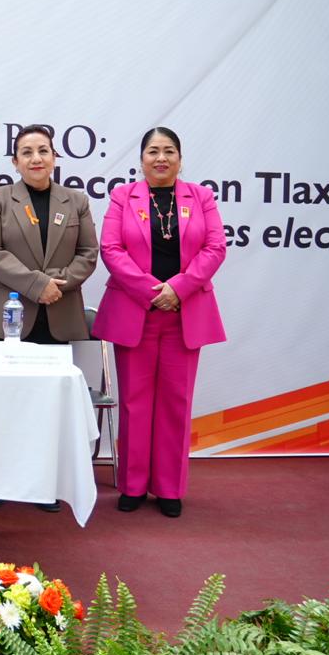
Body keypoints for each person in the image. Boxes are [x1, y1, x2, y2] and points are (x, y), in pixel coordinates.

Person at [92, 127, 226, 518]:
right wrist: (154, 291)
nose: (161, 158)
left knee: (175, 403)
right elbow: (111, 249)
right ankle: (132, 485)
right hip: (137, 313)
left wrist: (179, 289)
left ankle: (169, 488)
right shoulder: (123, 196)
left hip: (184, 315)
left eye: (169, 151)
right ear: (142, 160)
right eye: (153, 151)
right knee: (134, 403)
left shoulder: (200, 197)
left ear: (180, 159)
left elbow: (215, 247)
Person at [0, 124, 99, 513]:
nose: (36, 159)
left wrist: (56, 285)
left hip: (57, 314)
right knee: (2, 403)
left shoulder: (76, 201)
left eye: (43, 151)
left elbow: (89, 253)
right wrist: (37, 284)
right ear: (15, 161)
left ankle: (45, 484)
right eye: (27, 152)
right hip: (8, 314)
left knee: (46, 408)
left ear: (55, 158)